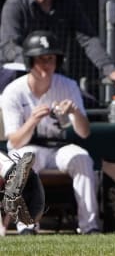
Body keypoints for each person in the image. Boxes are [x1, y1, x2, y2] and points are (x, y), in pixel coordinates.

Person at [1, 30, 100, 235]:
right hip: (28, 146)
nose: (46, 64)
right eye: (40, 59)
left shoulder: (68, 85)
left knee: (82, 158)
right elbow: (15, 141)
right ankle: (26, 227)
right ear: (30, 62)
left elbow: (84, 133)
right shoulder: (13, 91)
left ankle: (89, 227)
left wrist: (74, 112)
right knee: (24, 159)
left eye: (50, 59)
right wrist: (33, 119)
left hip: (58, 146)